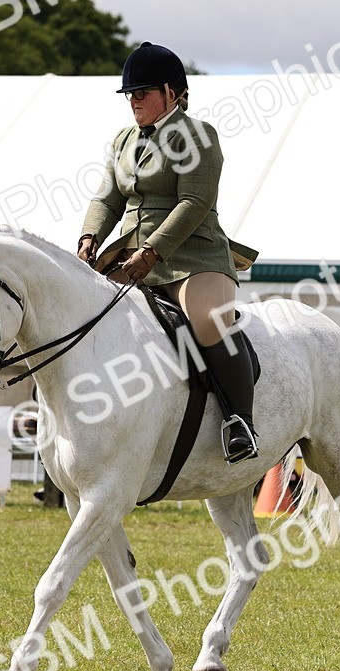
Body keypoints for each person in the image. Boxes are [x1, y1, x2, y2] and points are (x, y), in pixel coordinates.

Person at [77, 42, 259, 464]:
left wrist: (152, 250)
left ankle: (240, 421)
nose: (134, 101)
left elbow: (194, 202)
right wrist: (89, 237)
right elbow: (107, 198)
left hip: (193, 257)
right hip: (130, 257)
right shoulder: (123, 140)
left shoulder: (198, 136)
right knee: (85, 314)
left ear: (171, 92)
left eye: (142, 92)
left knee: (209, 322)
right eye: (130, 94)